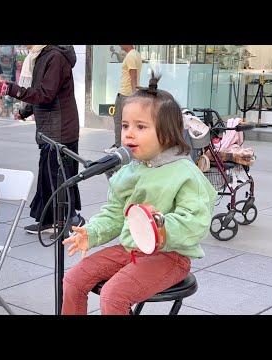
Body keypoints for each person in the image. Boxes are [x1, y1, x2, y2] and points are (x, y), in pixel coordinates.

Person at [60, 72, 217, 315]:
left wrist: (160, 225)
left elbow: (196, 222)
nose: (129, 133)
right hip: (130, 250)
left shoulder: (185, 173)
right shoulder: (128, 171)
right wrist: (91, 233)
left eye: (140, 127)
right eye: (125, 126)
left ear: (167, 133)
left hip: (170, 256)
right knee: (73, 279)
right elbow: (113, 215)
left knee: (114, 295)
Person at [0, 45, 85, 235]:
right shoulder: (41, 55)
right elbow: (43, 91)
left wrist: (13, 90)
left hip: (60, 128)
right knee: (48, 176)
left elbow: (46, 94)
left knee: (59, 175)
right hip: (52, 126)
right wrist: (25, 111)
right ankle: (49, 221)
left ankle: (70, 219)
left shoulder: (55, 56)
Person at [104, 45, 142, 154]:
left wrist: (134, 95)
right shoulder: (136, 54)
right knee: (126, 122)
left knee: (119, 121)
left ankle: (118, 146)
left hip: (126, 95)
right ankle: (122, 146)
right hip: (128, 94)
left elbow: (133, 76)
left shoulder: (130, 56)